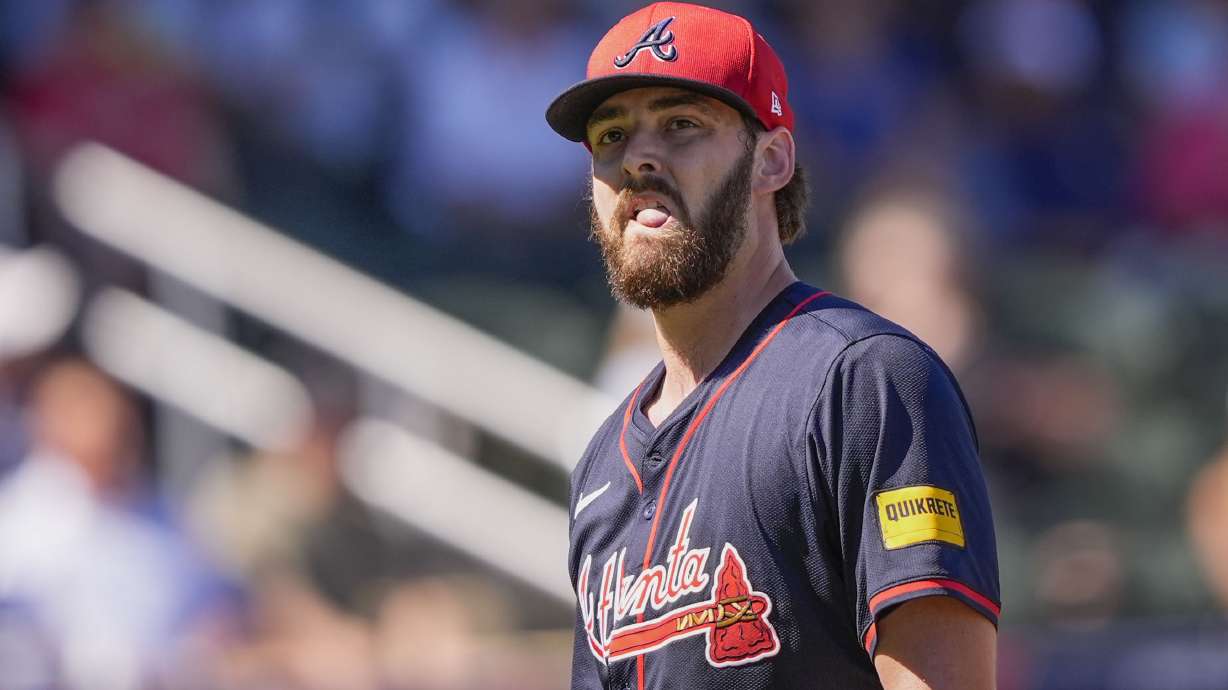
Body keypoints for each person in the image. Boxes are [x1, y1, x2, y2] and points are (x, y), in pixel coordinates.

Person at [545, 3, 1000, 688]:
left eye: (680, 125)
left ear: (772, 159)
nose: (637, 156)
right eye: (610, 136)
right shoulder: (603, 465)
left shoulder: (863, 382)